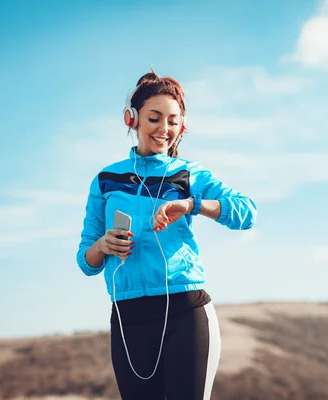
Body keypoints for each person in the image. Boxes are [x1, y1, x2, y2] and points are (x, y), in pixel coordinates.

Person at [76, 68, 257, 400]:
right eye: (155, 118)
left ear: (182, 126)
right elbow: (86, 261)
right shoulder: (105, 180)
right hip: (128, 318)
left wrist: (192, 204)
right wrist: (103, 245)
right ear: (133, 119)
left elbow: (247, 212)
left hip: (185, 314)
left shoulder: (190, 174)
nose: (164, 129)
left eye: (173, 121)